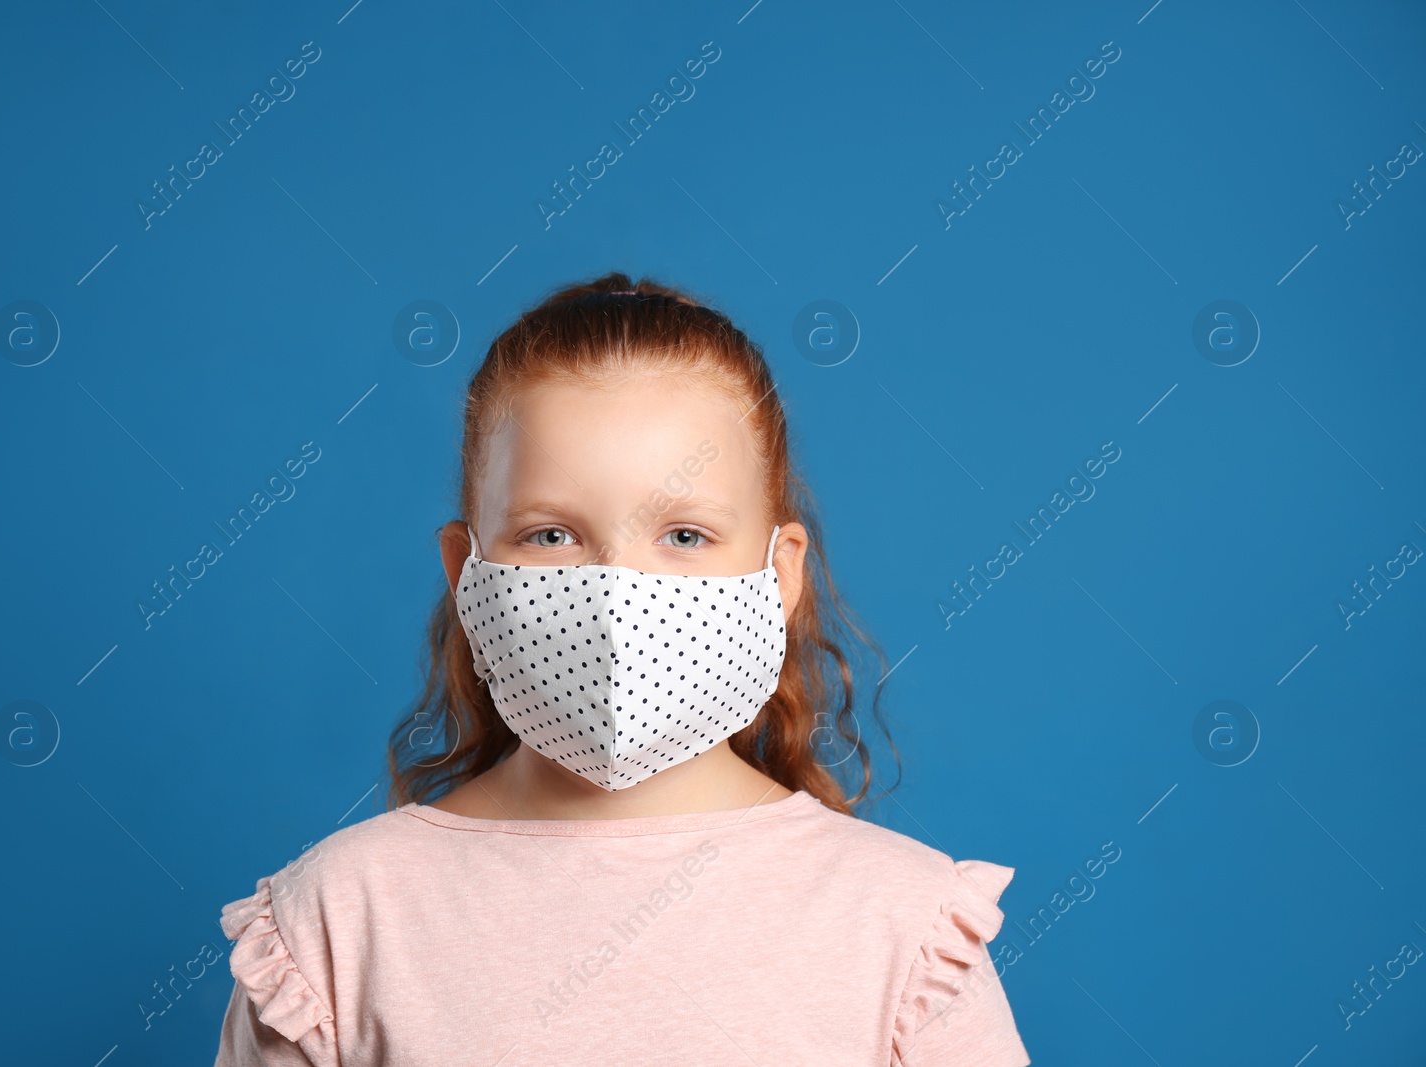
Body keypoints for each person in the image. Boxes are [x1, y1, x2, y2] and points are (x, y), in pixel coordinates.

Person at [213, 273, 1031, 1065]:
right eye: (551, 535)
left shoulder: (903, 927)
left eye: (683, 535)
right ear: (467, 569)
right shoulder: (336, 925)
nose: (616, 600)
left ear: (778, 574)